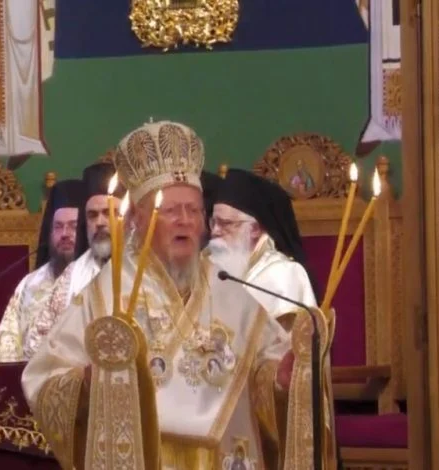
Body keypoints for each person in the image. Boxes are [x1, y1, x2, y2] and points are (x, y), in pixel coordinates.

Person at [22, 120, 331, 469]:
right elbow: (43, 380)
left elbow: (261, 372)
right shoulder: (107, 292)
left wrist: (279, 380)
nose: (185, 220)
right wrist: (88, 382)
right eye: (170, 211)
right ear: (138, 220)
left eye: (194, 210)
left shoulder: (226, 288)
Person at [208, 168, 318, 362]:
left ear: (255, 229)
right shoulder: (209, 269)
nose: (216, 231)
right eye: (213, 222)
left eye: (226, 224)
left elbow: (288, 353)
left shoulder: (283, 275)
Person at [21, 162, 125, 357]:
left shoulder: (149, 270)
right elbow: (37, 348)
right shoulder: (73, 276)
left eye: (110, 213)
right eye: (92, 216)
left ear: (129, 218)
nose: (100, 223)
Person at [0, 179, 84, 362]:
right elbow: (7, 346)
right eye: (58, 226)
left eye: (73, 226)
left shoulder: (97, 279)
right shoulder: (30, 283)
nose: (65, 233)